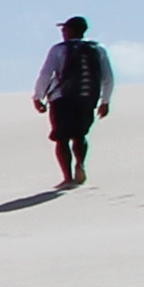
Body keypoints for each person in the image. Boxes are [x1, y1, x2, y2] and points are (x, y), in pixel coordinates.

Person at [34, 14, 114, 186]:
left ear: (71, 30)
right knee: (80, 135)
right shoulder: (98, 48)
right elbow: (108, 77)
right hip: (88, 97)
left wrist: (38, 96)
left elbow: (46, 73)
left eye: (65, 29)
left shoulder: (59, 49)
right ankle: (80, 164)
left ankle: (67, 177)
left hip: (61, 98)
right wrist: (105, 101)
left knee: (61, 137)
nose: (63, 32)